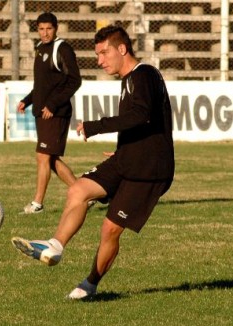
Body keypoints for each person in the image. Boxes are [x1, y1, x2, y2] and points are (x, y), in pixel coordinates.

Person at [11, 25, 175, 299]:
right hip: (128, 159)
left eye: (103, 53)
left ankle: (90, 285)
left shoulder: (144, 74)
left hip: (149, 170)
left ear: (122, 49)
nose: (99, 60)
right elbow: (142, 122)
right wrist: (124, 149)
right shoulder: (129, 80)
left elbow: (142, 115)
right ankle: (54, 246)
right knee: (78, 190)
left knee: (110, 229)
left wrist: (96, 127)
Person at [17, 12, 82, 214]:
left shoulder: (62, 48)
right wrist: (27, 101)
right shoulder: (40, 49)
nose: (45, 33)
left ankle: (37, 203)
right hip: (42, 112)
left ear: (56, 28)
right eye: (41, 29)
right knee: (50, 160)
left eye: (49, 29)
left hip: (55, 113)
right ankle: (83, 194)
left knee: (42, 156)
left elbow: (74, 80)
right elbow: (43, 85)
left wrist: (53, 105)